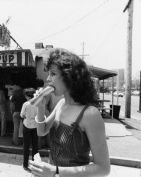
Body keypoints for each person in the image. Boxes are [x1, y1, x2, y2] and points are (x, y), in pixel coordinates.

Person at [29, 48, 110, 177]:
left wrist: (55, 171)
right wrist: (40, 107)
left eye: (53, 74)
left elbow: (103, 168)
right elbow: (41, 131)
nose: (48, 79)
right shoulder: (61, 104)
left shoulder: (90, 114)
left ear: (69, 76)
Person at [20, 88, 38, 172]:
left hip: (26, 125)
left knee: (26, 146)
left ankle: (25, 165)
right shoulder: (38, 103)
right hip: (35, 125)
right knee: (35, 146)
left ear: (28, 96)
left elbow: (22, 115)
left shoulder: (25, 104)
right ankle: (35, 165)